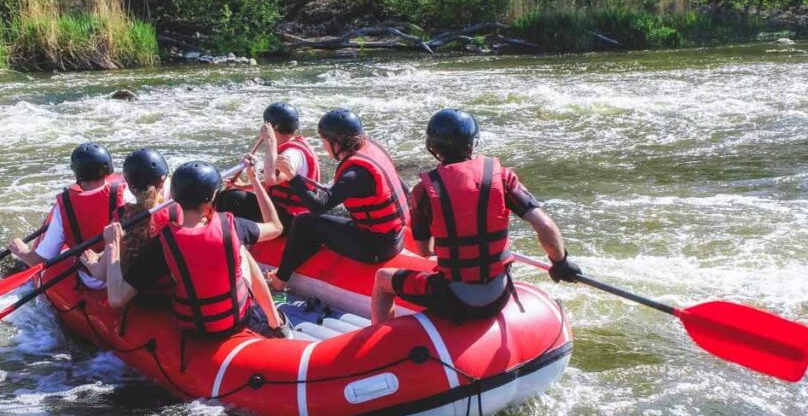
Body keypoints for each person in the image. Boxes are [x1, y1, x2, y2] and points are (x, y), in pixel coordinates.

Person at [370, 109, 582, 324]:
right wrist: (561, 262)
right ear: (472, 144)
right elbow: (544, 224)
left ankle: (378, 340)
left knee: (382, 279)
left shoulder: (423, 191)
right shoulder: (501, 177)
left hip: (454, 299)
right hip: (499, 296)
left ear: (432, 147)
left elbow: (425, 252)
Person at [103, 158, 290, 338]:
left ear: (174, 197)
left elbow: (117, 299)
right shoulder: (232, 226)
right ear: (214, 196)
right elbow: (276, 226)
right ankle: (275, 323)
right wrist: (254, 179)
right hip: (237, 318)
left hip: (192, 327)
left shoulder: (163, 242)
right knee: (240, 248)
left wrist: (112, 246)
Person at [266, 109, 409, 290]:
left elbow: (318, 207)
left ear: (337, 143)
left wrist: (293, 177)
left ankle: (280, 280)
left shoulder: (354, 174)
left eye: (324, 141)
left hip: (376, 249)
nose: (324, 147)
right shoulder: (373, 150)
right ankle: (297, 261)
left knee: (304, 221)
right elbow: (402, 189)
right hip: (396, 237)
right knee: (323, 220)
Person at [8, 142, 125, 290]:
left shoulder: (65, 206)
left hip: (94, 280)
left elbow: (40, 260)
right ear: (109, 167)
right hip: (125, 270)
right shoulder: (125, 193)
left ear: (78, 173)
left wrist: (22, 251)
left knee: (64, 254)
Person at [217, 102, 320, 232]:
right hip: (285, 212)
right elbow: (280, 180)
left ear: (269, 126)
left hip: (291, 219)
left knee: (231, 198)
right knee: (234, 193)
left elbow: (271, 179)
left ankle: (227, 239)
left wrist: (270, 140)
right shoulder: (292, 147)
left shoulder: (292, 153)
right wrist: (246, 186)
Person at [79, 148, 173, 283]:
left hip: (136, 295)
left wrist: (91, 263)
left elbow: (102, 273)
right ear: (162, 180)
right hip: (170, 294)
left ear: (129, 186)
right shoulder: (175, 213)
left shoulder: (122, 217)